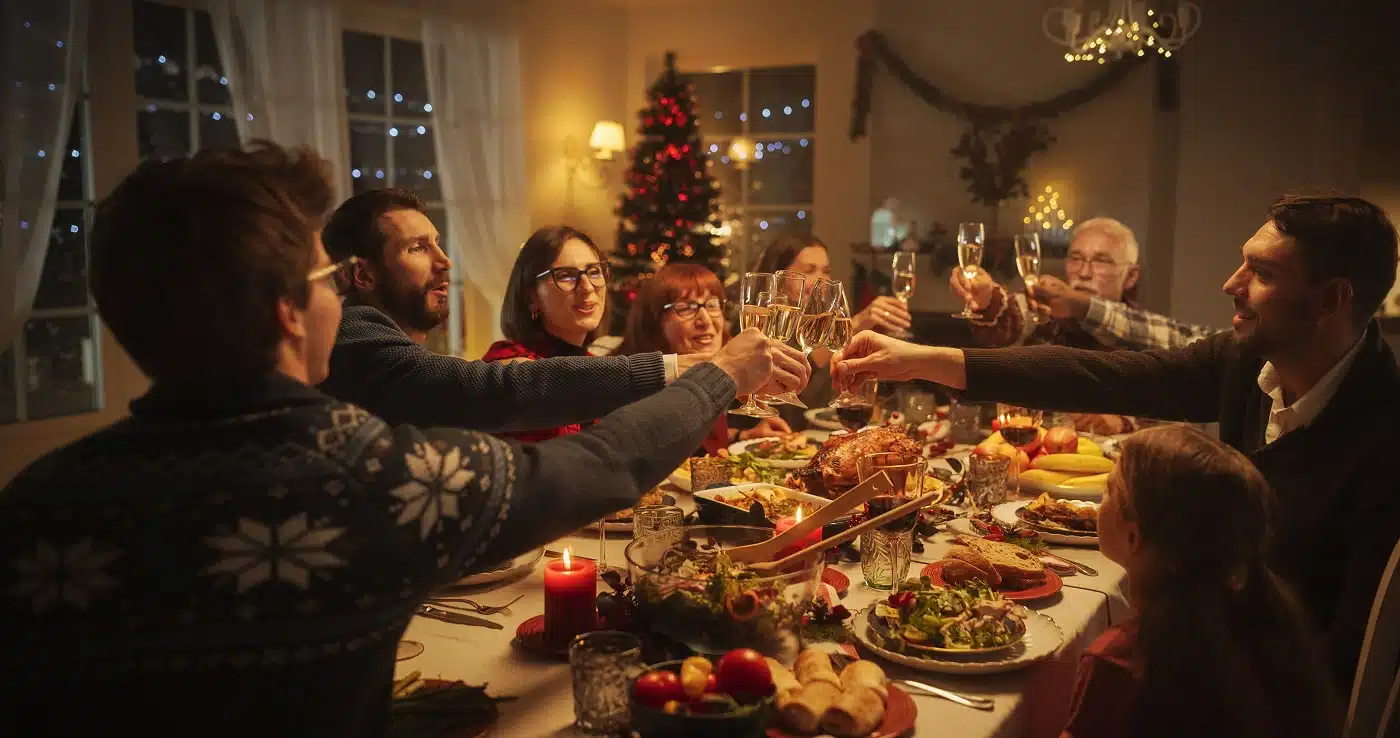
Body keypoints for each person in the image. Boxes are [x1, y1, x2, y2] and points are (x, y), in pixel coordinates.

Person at [0, 142, 793, 736]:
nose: (335, 301)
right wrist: (714, 375)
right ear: (287, 310)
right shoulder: (370, 477)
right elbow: (600, 466)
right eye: (323, 282)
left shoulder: (34, 505)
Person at [833, 193, 1400, 691]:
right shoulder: (1247, 363)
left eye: (1262, 272)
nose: (1231, 283)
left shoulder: (1383, 439)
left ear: (1331, 301)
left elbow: (1353, 655)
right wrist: (919, 361)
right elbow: (1096, 374)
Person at [319, 189, 793, 430]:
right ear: (362, 274)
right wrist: (701, 368)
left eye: (439, 245)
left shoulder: (393, 350)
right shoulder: (357, 335)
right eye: (418, 248)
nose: (445, 262)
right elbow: (499, 390)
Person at [1062, 425, 1340, 738]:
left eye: (1109, 489)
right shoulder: (1273, 636)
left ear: (1133, 536)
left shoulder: (1119, 663)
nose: (1101, 498)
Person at [619, 263, 791, 455]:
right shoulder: (637, 388)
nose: (705, 320)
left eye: (712, 305)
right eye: (685, 308)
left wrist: (744, 436)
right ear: (653, 321)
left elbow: (698, 442)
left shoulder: (711, 376)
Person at [748, 232, 913, 427]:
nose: (821, 280)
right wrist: (859, 321)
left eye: (826, 271)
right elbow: (801, 392)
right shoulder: (760, 325)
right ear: (780, 277)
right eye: (809, 270)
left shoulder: (822, 320)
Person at [481, 225, 611, 441]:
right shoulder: (511, 365)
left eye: (595, 271)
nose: (587, 287)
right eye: (567, 276)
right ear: (532, 297)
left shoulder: (594, 364)